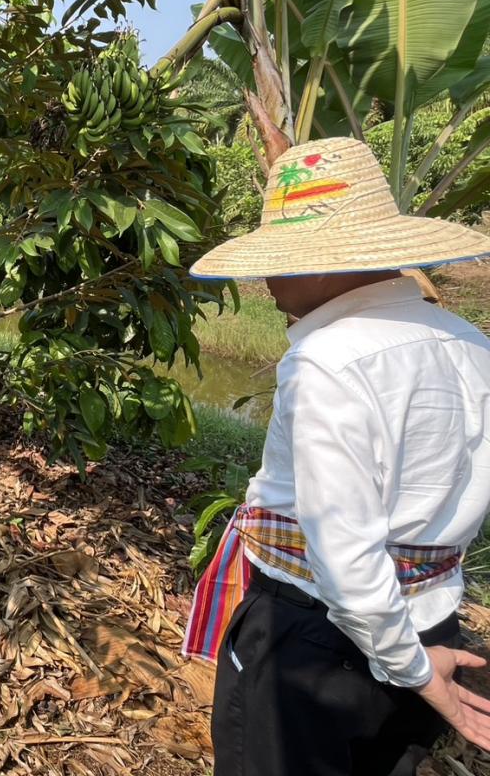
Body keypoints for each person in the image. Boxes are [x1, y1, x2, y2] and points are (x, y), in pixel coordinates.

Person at [182, 137, 490, 775]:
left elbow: (344, 555)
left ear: (318, 265)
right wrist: (418, 660)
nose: (267, 284)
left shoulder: (326, 360)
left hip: (320, 643)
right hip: (431, 625)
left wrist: (410, 670)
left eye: (277, 262)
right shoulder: (470, 343)